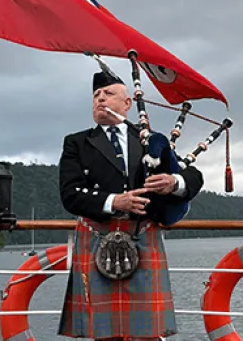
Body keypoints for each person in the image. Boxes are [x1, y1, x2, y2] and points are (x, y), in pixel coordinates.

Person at [57, 70, 204, 340]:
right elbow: (69, 195)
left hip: (142, 236)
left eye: (108, 94)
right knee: (104, 333)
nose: (100, 99)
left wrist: (174, 182)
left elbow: (194, 177)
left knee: (147, 333)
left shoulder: (151, 140)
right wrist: (115, 201)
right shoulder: (77, 143)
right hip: (97, 238)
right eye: (95, 96)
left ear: (127, 104)